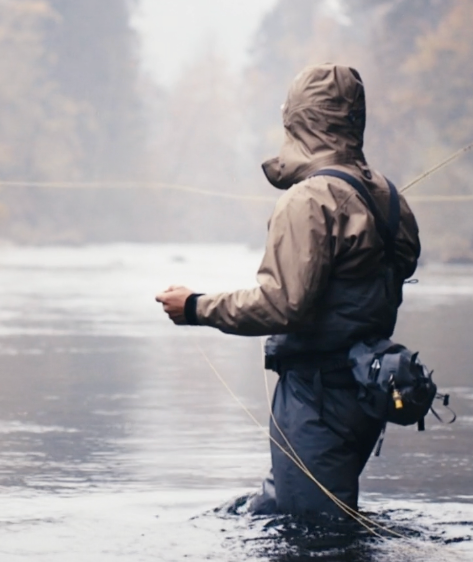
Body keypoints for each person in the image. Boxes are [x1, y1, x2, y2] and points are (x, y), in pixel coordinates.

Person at [155, 63, 421, 517]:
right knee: (282, 509)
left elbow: (284, 305)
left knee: (311, 530)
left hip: (316, 396)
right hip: (366, 389)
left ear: (298, 119)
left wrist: (196, 307)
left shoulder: (309, 199)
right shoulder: (391, 199)